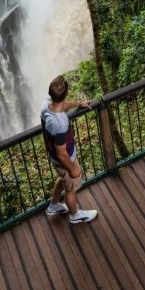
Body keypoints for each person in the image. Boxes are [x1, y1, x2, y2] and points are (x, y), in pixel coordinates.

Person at [41, 75, 98, 224]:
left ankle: (54, 205)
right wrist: (72, 169)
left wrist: (79, 104)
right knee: (70, 188)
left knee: (63, 180)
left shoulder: (46, 105)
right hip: (65, 160)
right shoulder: (60, 124)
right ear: (66, 94)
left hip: (53, 157)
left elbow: (61, 105)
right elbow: (62, 154)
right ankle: (75, 215)